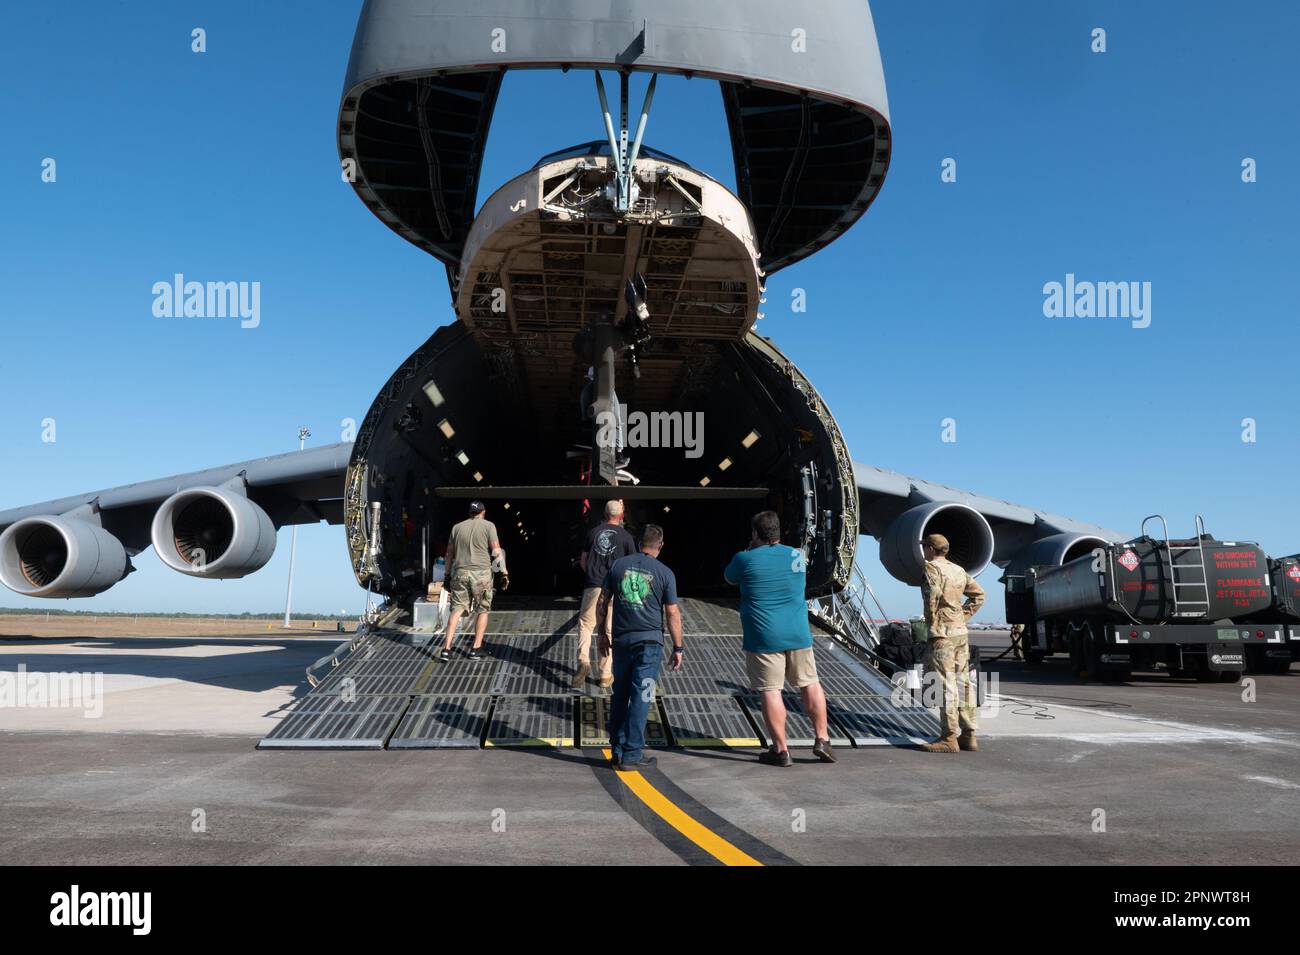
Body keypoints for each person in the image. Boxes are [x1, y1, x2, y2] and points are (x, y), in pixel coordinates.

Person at [725, 510, 836, 767]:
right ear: (778, 531)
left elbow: (729, 578)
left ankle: (781, 750)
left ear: (755, 534)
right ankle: (822, 739)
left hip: (764, 635)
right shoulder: (797, 556)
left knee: (771, 690)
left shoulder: (744, 558)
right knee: (810, 683)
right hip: (798, 633)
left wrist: (749, 551)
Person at [597, 524, 682, 769]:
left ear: (637, 542)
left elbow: (602, 601)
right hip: (649, 644)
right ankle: (632, 753)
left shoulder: (617, 566)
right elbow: (673, 613)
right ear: (661, 545)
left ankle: (617, 748)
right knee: (641, 697)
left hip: (622, 641)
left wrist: (602, 634)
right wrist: (678, 648)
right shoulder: (665, 573)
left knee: (620, 694)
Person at [918, 533, 985, 753]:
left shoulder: (932, 568)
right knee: (963, 682)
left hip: (943, 634)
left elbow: (932, 597)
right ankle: (969, 734)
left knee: (946, 684)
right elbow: (979, 595)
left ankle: (948, 737)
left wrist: (931, 623)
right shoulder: (958, 570)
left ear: (930, 549)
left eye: (925, 547)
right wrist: (963, 616)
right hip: (960, 633)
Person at [573, 499, 637, 688]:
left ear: (605, 514)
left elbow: (583, 560)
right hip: (615, 588)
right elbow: (631, 566)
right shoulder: (626, 537)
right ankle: (605, 676)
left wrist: (592, 575)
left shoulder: (593, 533)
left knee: (586, 624)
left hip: (594, 585)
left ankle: (583, 659)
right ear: (621, 515)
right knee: (608, 628)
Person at [440, 501, 504, 661]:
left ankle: (446, 649)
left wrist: (447, 576)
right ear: (483, 512)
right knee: (483, 609)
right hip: (481, 574)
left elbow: (449, 554)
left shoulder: (457, 527)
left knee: (457, 609)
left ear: (469, 513)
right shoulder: (489, 526)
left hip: (460, 573)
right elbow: (496, 550)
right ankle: (476, 648)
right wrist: (503, 571)